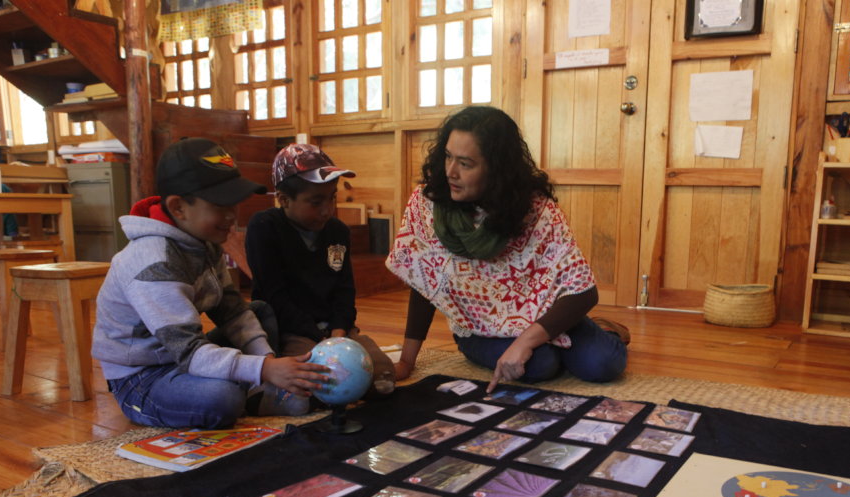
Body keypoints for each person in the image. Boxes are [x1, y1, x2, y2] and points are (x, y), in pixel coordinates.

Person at [386, 105, 629, 392]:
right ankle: (551, 342)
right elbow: (423, 281)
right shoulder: (427, 205)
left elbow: (584, 291)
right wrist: (407, 361)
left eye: (465, 163)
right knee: (541, 364)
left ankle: (606, 331)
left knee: (604, 364)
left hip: (540, 313)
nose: (450, 171)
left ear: (496, 168)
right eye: (448, 157)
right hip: (478, 325)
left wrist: (525, 340)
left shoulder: (536, 210)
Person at [92, 137, 330, 429]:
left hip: (182, 356)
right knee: (221, 399)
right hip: (143, 376)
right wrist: (266, 369)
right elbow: (190, 351)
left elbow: (232, 311)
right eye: (221, 205)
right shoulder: (154, 261)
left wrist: (266, 360)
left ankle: (257, 390)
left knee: (259, 311)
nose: (231, 216)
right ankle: (250, 394)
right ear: (178, 208)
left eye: (235, 204)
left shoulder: (205, 241)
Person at [246, 142, 395, 395]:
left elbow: (344, 289)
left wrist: (340, 330)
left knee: (382, 372)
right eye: (315, 202)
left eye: (332, 198)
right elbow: (274, 296)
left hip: (335, 331)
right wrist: (319, 336)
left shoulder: (337, 231)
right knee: (317, 383)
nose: (327, 210)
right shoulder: (264, 228)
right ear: (283, 200)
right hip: (291, 330)